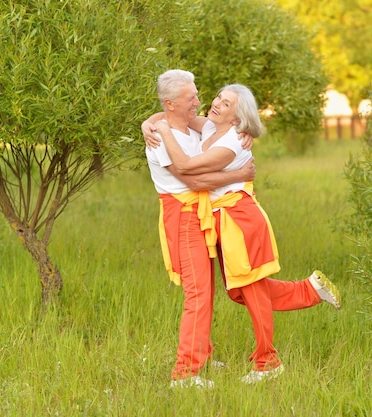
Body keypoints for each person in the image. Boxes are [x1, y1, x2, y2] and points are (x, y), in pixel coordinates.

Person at [146, 83, 341, 385]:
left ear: (237, 119)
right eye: (219, 99)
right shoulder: (211, 125)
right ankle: (310, 290)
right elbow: (176, 115)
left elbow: (187, 169)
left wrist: (165, 132)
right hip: (222, 220)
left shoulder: (233, 142)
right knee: (239, 291)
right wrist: (149, 122)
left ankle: (268, 362)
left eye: (226, 104)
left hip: (238, 218)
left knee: (251, 291)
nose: (215, 104)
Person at [144, 70, 255, 389]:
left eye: (196, 94)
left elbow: (222, 129)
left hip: (203, 215)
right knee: (198, 294)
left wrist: (244, 132)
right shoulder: (159, 140)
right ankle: (184, 373)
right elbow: (193, 181)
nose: (199, 102)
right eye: (191, 97)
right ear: (171, 103)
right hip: (184, 217)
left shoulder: (187, 127)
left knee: (207, 290)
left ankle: (201, 353)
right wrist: (240, 176)